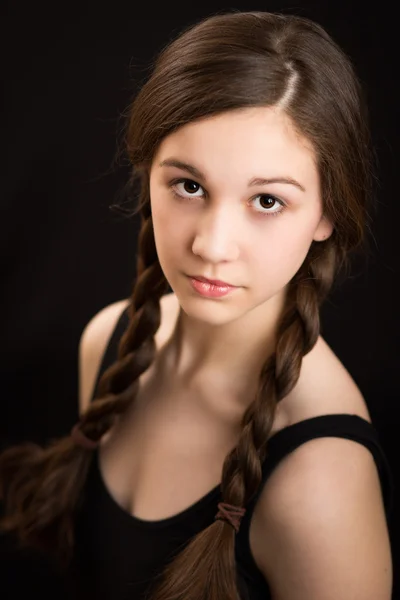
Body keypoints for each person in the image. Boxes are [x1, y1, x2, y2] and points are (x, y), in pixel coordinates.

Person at [0, 9, 394, 600]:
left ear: (327, 213)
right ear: (148, 175)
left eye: (266, 200)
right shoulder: (107, 343)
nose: (210, 245)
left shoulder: (322, 479)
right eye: (189, 186)